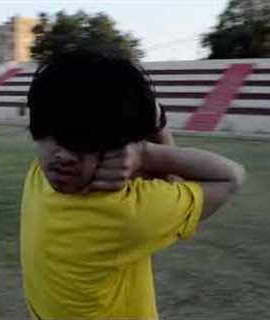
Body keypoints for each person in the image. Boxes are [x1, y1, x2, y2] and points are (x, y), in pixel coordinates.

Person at [20, 51, 246, 320]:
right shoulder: (129, 210)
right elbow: (231, 176)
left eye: (84, 141)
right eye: (52, 132)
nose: (64, 156)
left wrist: (140, 152)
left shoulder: (38, 174)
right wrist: (146, 150)